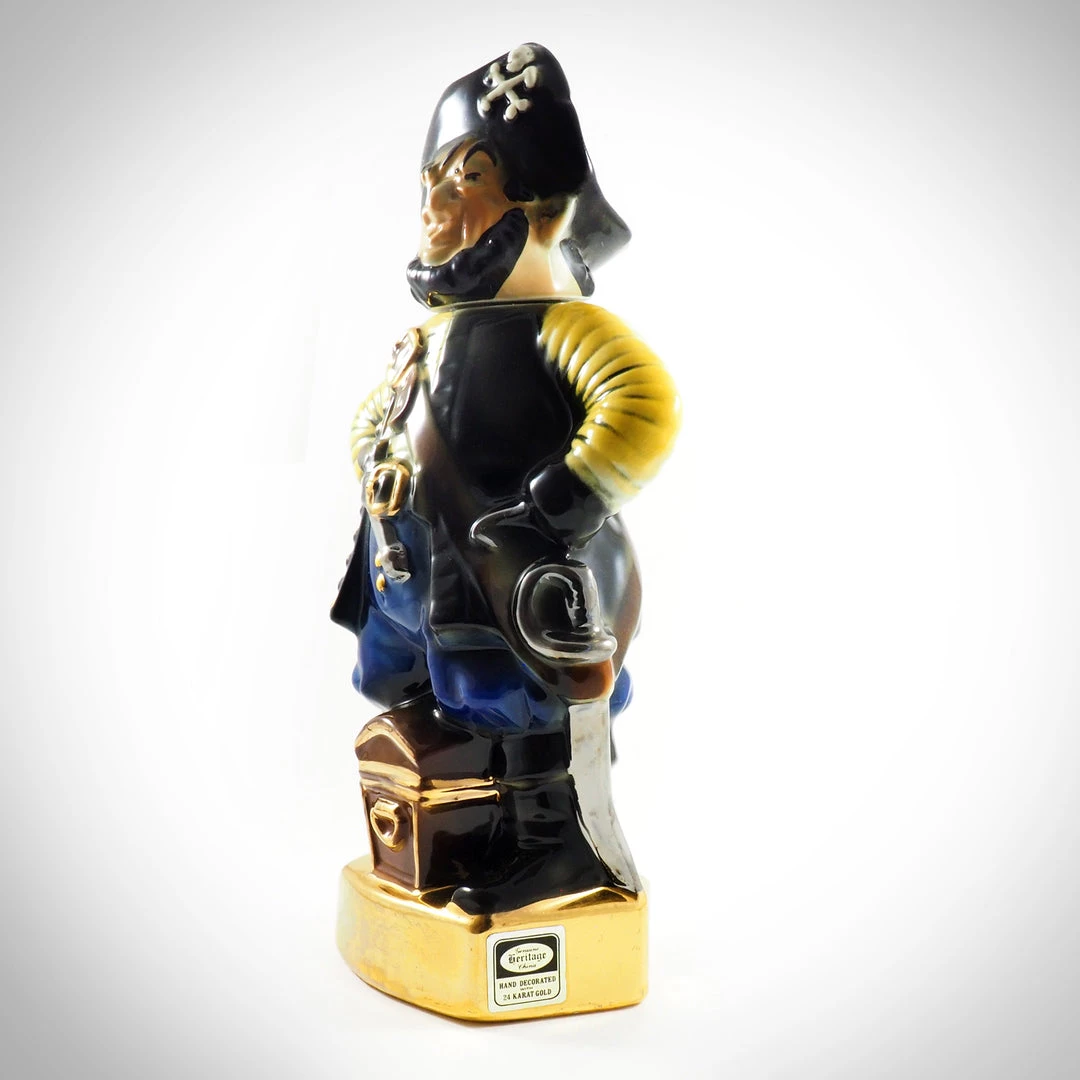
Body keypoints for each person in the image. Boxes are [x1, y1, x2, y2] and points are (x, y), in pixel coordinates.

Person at [331, 44, 679, 912]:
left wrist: (560, 502)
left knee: (524, 709)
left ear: (543, 210)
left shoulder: (567, 328)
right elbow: (379, 414)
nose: (435, 210)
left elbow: (641, 403)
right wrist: (378, 459)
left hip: (516, 572)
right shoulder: (429, 337)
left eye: (466, 182)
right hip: (421, 575)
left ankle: (556, 851)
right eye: (430, 186)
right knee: (437, 697)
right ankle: (467, 828)